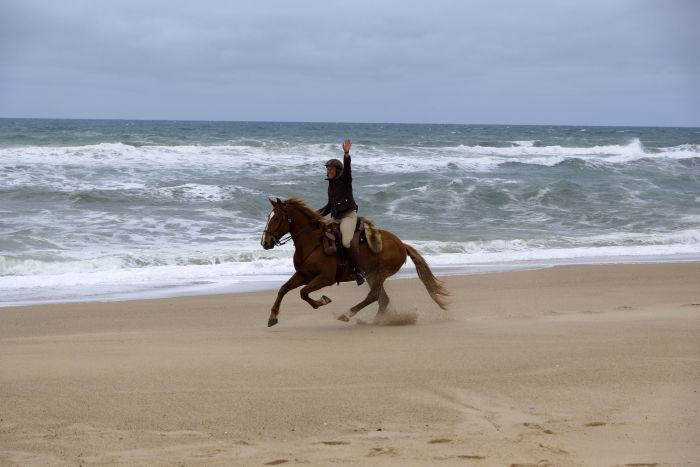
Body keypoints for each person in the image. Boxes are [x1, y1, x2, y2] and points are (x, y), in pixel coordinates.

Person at [317, 139, 365, 285]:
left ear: (338, 171)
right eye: (327, 169)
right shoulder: (330, 186)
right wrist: (313, 216)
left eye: (331, 169)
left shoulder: (345, 180)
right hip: (336, 218)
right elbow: (329, 207)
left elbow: (348, 169)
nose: (329, 171)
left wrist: (346, 153)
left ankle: (359, 272)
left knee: (345, 241)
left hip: (348, 217)